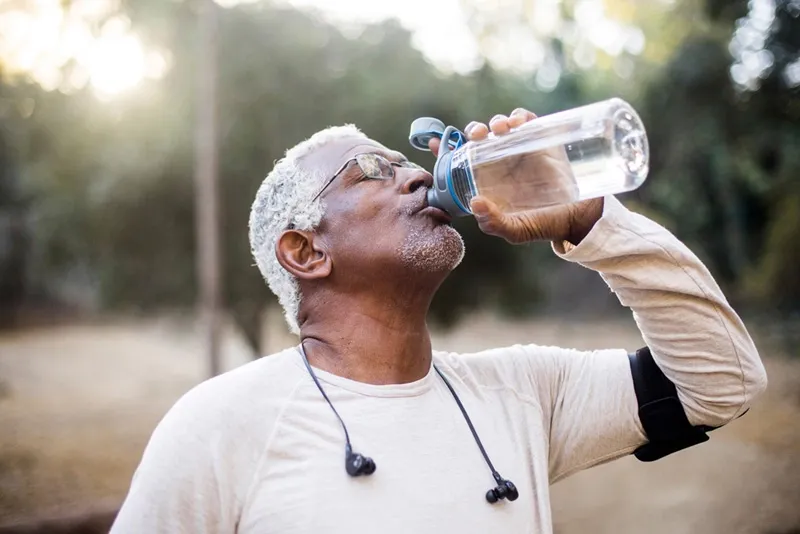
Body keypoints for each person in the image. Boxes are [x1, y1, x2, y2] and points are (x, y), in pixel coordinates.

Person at [111, 108, 767, 534]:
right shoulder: (220, 425)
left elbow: (724, 383)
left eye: (408, 162)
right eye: (372, 170)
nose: (418, 179)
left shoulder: (523, 392)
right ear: (306, 251)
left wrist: (591, 223)